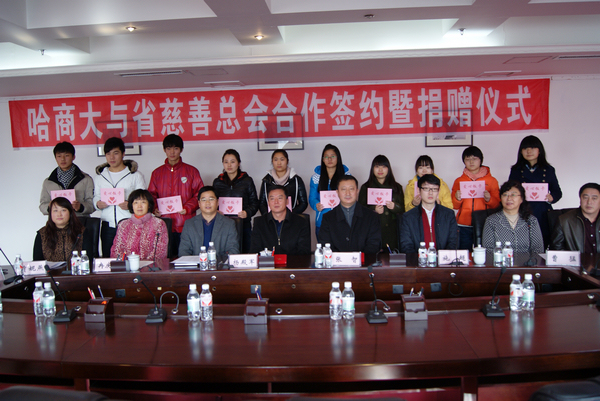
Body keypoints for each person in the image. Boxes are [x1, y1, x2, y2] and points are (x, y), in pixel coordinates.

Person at [148, 134, 204, 257]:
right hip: (164, 224)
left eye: (176, 148)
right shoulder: (157, 173)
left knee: (187, 258)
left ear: (181, 149)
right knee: (165, 259)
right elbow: (151, 195)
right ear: (164, 150)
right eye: (168, 148)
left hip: (186, 224)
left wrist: (188, 208)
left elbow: (200, 194)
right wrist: (154, 209)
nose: (172, 152)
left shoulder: (192, 171)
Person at [93, 137, 146, 257]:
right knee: (108, 259)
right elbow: (96, 196)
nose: (112, 157)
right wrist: (97, 204)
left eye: (115, 153)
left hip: (130, 223)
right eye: (108, 154)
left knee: (132, 257)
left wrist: (131, 205)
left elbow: (143, 200)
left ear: (123, 154)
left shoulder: (135, 175)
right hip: (108, 225)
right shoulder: (100, 177)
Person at [509, 135, 562, 247]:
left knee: (542, 244)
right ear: (521, 152)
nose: (529, 151)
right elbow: (510, 191)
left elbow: (557, 191)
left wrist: (551, 198)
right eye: (525, 148)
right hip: (522, 212)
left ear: (539, 150)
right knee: (521, 244)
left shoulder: (548, 170)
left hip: (542, 213)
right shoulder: (516, 170)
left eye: (532, 148)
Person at [452, 146, 500, 250]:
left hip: (485, 223)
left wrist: (489, 199)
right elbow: (454, 206)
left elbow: (497, 204)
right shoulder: (459, 181)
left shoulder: (492, 181)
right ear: (464, 161)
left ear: (481, 160)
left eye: (474, 158)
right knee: (464, 253)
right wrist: (457, 198)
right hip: (463, 224)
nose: (471, 162)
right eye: (467, 159)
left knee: (484, 253)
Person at [318, 175, 381, 253]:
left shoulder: (371, 216)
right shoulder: (328, 217)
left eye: (351, 189)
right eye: (343, 189)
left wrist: (359, 258)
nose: (347, 193)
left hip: (364, 260)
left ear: (357, 191)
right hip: (336, 260)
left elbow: (374, 244)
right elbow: (325, 243)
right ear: (337, 192)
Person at [212, 149, 259, 253]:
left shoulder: (247, 181)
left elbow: (255, 202)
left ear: (239, 163)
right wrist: (216, 211)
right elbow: (212, 202)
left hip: (243, 225)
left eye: (232, 162)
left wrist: (247, 212)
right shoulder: (217, 182)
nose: (229, 165)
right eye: (226, 162)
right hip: (222, 225)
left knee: (244, 253)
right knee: (224, 254)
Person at [400, 174, 458, 254]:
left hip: (443, 260)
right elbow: (406, 245)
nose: (430, 193)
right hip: (417, 260)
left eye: (434, 189)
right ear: (418, 190)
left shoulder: (448, 214)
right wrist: (419, 258)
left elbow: (453, 242)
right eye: (426, 189)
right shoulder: (408, 217)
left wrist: (443, 258)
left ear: (439, 191)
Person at [358, 155, 405, 252]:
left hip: (392, 231)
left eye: (384, 166)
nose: (380, 170)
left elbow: (403, 209)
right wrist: (373, 209)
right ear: (372, 169)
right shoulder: (366, 187)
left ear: (388, 169)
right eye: (377, 166)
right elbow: (360, 209)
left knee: (391, 257)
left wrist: (394, 206)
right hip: (372, 230)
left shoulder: (397, 187)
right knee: (372, 257)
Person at [482, 181, 544, 254]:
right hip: (500, 260)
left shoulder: (531, 220)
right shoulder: (491, 221)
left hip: (527, 261)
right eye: (505, 195)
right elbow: (488, 250)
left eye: (513, 195)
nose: (509, 198)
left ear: (521, 199)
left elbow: (538, 249)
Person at [179, 186, 240, 257]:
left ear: (217, 202)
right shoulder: (189, 224)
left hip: (219, 263)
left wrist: (215, 261)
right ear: (199, 203)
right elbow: (183, 251)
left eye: (211, 199)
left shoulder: (229, 224)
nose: (207, 203)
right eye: (204, 200)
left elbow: (233, 251)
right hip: (195, 264)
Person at [251, 186, 311, 255]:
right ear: (268, 202)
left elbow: (304, 252)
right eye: (272, 199)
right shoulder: (259, 222)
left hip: (293, 261)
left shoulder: (301, 222)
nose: (276, 202)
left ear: (287, 201)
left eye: (280, 198)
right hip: (268, 261)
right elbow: (255, 251)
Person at [39, 141, 94, 217]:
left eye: (66, 155)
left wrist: (80, 207)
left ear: (73, 157)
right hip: (57, 221)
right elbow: (42, 205)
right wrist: (49, 207)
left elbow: (93, 204)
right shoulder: (48, 182)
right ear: (55, 158)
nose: (63, 159)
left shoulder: (86, 179)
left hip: (79, 221)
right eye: (59, 156)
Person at [110, 190, 168, 260]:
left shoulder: (158, 224)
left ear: (149, 205)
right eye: (136, 203)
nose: (139, 206)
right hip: (128, 265)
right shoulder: (123, 225)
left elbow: (160, 252)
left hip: (151, 265)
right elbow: (117, 250)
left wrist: (144, 264)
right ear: (132, 205)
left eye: (143, 202)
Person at [309, 144, 350, 236]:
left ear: (338, 158)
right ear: (323, 159)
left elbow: (351, 196)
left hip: (343, 219)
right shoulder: (316, 177)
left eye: (333, 156)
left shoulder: (346, 176)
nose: (329, 159)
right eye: (326, 157)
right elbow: (312, 197)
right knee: (323, 244)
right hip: (322, 220)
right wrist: (316, 205)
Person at [551, 183, 600, 254]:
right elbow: (556, 250)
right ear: (580, 198)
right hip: (575, 261)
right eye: (585, 198)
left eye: (594, 198)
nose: (589, 202)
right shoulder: (564, 220)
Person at [33, 197, 84, 262]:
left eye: (63, 210)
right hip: (50, 269)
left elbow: (88, 258)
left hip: (76, 268)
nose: (59, 214)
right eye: (55, 210)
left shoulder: (81, 232)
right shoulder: (42, 234)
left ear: (70, 212)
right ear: (50, 213)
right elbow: (37, 262)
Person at [258, 149, 308, 215]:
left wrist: (289, 215)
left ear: (287, 161)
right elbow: (261, 204)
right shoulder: (266, 180)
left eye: (282, 159)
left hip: (291, 218)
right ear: (272, 161)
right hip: (271, 219)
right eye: (276, 160)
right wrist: (270, 216)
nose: (279, 163)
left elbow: (303, 203)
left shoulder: (296, 180)